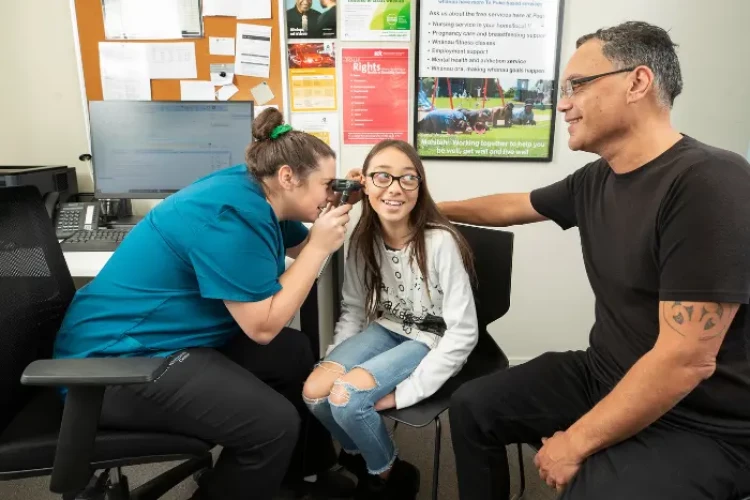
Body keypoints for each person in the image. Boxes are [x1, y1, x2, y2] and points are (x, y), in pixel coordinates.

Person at [440, 21, 750, 500]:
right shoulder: (595, 181)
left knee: (590, 488)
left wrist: (574, 443)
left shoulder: (709, 182)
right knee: (473, 406)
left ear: (637, 82)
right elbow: (511, 206)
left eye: (577, 86)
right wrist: (423, 210)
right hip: (605, 371)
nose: (563, 104)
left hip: (704, 419)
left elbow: (685, 360)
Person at [53, 108, 356, 500]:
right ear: (287, 177)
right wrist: (319, 246)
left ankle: (295, 477)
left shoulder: (261, 192)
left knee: (294, 352)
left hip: (167, 340)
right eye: (327, 184)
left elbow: (299, 244)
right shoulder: (229, 216)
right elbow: (262, 327)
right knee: (273, 424)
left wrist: (346, 207)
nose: (331, 193)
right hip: (113, 364)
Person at [302, 140, 479, 499]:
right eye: (382, 176)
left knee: (346, 400)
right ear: (364, 184)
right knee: (315, 393)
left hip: (430, 339)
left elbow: (463, 332)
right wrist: (339, 360)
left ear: (419, 187)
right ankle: (363, 458)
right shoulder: (361, 238)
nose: (395, 188)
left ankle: (388, 477)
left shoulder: (441, 242)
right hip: (386, 329)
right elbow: (353, 309)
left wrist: (405, 393)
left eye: (407, 178)